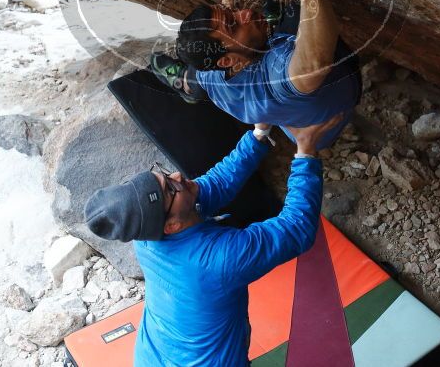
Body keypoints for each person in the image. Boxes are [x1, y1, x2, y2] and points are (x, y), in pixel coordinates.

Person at [84, 114, 341, 366]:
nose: (177, 177)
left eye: (162, 174)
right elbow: (296, 229)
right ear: (172, 225)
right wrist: (306, 152)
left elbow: (212, 186)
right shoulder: (218, 260)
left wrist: (259, 133)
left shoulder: (147, 232)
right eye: (170, 188)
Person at [151, 0, 360, 149]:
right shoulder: (274, 73)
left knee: (197, 74)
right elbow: (314, 63)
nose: (247, 13)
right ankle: (188, 84)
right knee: (295, 13)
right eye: (234, 23)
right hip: (334, 105)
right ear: (228, 60)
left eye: (231, 13)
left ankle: (187, 86)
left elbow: (222, 34)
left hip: (286, 114)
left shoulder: (215, 70)